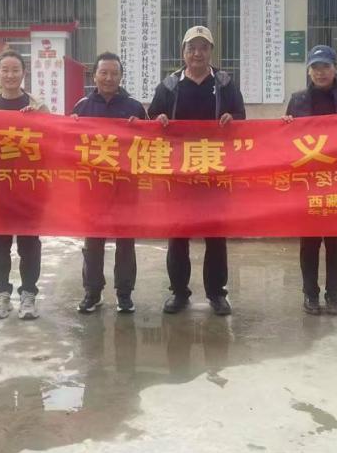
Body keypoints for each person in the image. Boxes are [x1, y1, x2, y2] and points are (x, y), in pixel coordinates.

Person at [148, 26, 246, 316]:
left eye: (203, 47)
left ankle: (217, 294)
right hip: (179, 175)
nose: (197, 53)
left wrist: (232, 118)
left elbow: (241, 117)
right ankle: (179, 293)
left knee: (215, 235)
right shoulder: (169, 86)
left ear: (211, 51)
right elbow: (151, 119)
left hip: (215, 171)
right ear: (183, 52)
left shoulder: (225, 83)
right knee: (178, 235)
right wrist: (159, 119)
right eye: (192, 48)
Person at [282, 44, 337, 316]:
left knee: (336, 242)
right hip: (308, 183)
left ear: (335, 69)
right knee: (309, 242)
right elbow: (287, 140)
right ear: (309, 71)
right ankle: (310, 294)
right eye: (315, 68)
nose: (320, 72)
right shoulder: (298, 101)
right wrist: (284, 125)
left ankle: (333, 294)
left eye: (325, 67)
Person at [71, 51, 148, 314]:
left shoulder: (135, 107)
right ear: (94, 76)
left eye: (114, 73)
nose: (108, 78)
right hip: (92, 187)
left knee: (125, 242)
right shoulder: (82, 107)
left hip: (126, 187)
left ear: (121, 76)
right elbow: (68, 143)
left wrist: (139, 128)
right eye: (103, 73)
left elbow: (151, 145)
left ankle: (124, 294)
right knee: (93, 242)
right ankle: (92, 292)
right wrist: (71, 125)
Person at [0, 49, 49, 320]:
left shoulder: (38, 107)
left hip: (29, 187)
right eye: (5, 70)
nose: (10, 75)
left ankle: (28, 294)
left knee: (29, 242)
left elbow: (53, 145)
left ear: (24, 73)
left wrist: (38, 122)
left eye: (15, 70)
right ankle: (1, 295)